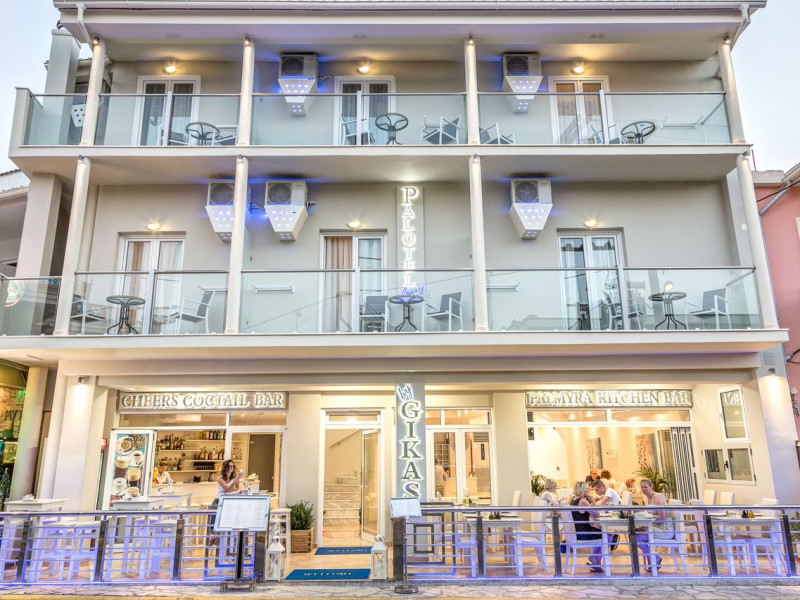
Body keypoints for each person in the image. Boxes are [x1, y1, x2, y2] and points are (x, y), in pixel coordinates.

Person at [635, 478, 674, 571]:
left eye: (645, 487)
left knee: (637, 538)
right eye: (642, 487)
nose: (643, 489)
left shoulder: (657, 498)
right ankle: (653, 560)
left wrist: (646, 515)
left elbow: (663, 517)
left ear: (651, 487)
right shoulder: (647, 498)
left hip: (665, 530)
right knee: (635, 533)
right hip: (655, 527)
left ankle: (654, 559)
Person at [569, 481, 603, 572]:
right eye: (587, 489)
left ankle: (595, 561)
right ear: (582, 490)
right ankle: (594, 560)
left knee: (601, 531)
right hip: (583, 533)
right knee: (609, 536)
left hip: (578, 532)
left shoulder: (573, 500)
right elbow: (597, 514)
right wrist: (593, 501)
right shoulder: (583, 501)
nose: (589, 490)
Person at [209, 459, 241, 544]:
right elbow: (227, 489)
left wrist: (233, 488)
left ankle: (229, 538)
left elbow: (237, 487)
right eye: (229, 466)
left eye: (232, 466)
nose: (231, 468)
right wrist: (236, 479)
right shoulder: (220, 479)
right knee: (214, 513)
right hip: (219, 500)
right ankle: (213, 535)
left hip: (228, 500)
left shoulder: (234, 476)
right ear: (225, 467)